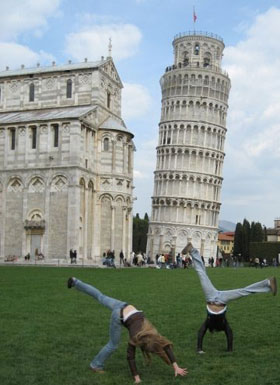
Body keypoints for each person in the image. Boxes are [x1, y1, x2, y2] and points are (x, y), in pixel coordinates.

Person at [67, 277, 187, 383]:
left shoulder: (151, 332)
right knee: (113, 345)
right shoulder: (135, 338)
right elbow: (131, 357)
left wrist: (176, 367)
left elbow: (165, 346)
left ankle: (75, 282)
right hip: (118, 316)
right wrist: (137, 378)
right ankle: (95, 365)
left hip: (124, 305)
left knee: (100, 296)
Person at [182, 243, 277, 354]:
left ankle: (192, 250)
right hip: (221, 299)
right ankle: (268, 282)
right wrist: (229, 350)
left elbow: (201, 332)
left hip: (211, 296)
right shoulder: (224, 325)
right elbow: (229, 333)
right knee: (244, 291)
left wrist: (200, 349)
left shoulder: (208, 324)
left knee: (202, 274)